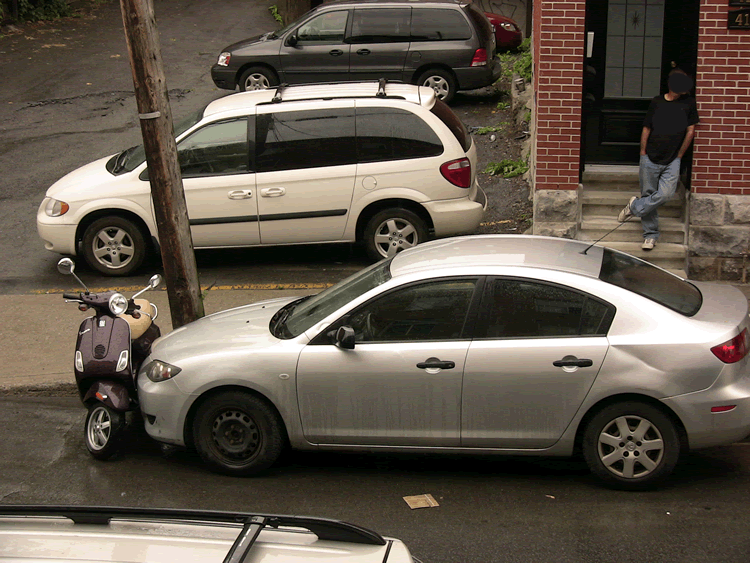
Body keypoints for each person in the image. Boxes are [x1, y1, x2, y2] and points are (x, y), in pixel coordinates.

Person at [617, 68, 699, 250]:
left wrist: (679, 155)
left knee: (666, 194)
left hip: (673, 159)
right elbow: (647, 128)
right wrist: (643, 151)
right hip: (650, 156)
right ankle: (650, 235)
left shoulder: (689, 103)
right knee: (649, 193)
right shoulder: (657, 102)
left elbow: (691, 130)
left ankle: (634, 206)